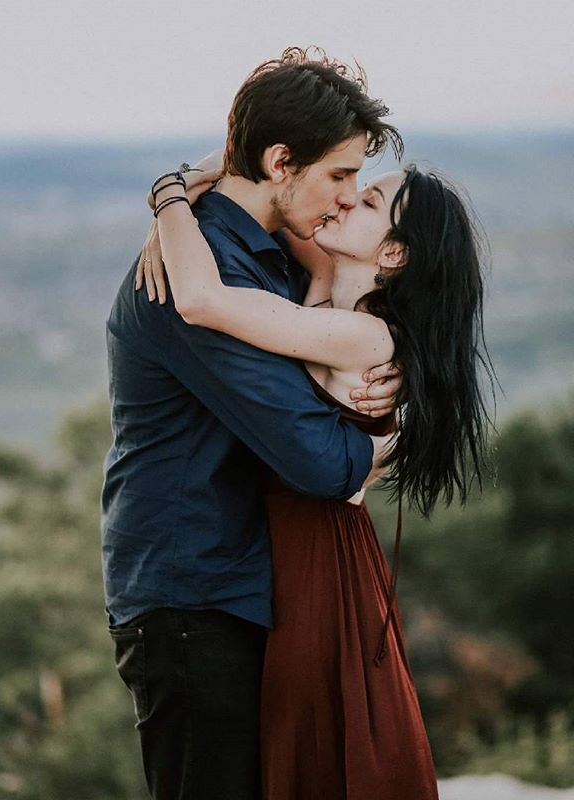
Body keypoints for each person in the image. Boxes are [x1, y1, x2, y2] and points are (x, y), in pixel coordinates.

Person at [137, 157, 492, 799]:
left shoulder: (363, 336)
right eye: (352, 183)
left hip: (315, 557)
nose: (348, 198)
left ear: (392, 253)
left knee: (314, 744)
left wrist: (165, 197)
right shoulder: (329, 279)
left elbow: (201, 300)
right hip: (292, 543)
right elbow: (277, 183)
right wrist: (200, 187)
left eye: (371, 199)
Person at [102, 47, 403, 800]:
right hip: (190, 597)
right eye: (338, 175)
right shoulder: (201, 271)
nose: (345, 198)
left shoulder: (257, 252)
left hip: (238, 584)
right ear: (279, 162)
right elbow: (323, 464)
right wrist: (384, 432)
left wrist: (173, 185)